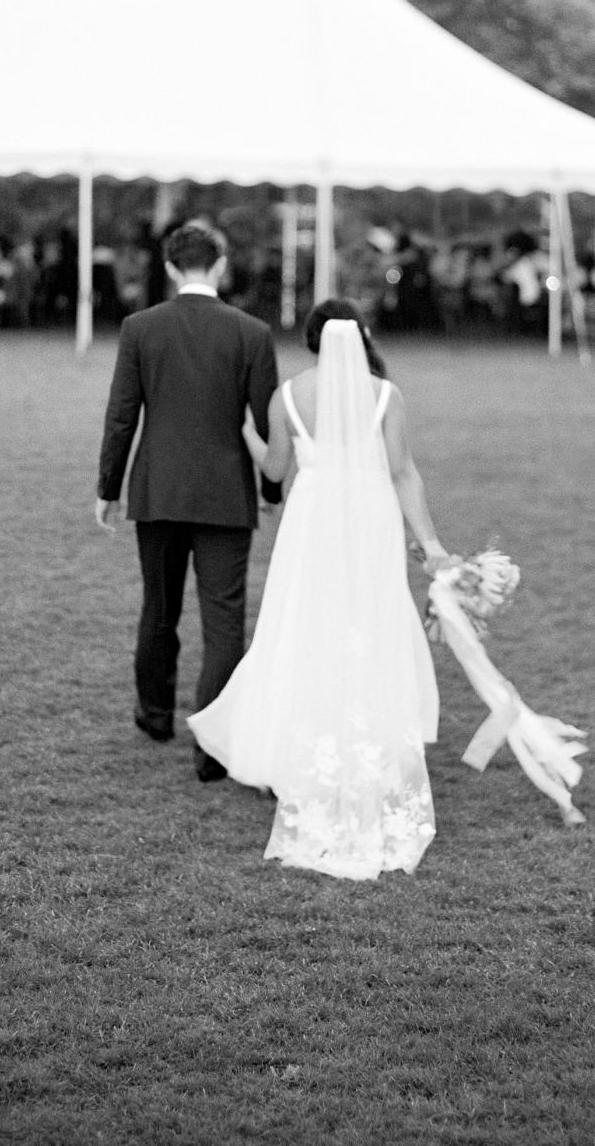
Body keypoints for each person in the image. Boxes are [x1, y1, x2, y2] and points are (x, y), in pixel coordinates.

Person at [189, 299, 448, 881]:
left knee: (306, 628)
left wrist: (250, 435)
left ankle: (297, 755)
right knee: (368, 625)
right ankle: (367, 755)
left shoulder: (287, 396)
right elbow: (404, 471)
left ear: (310, 341)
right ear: (362, 336)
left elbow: (277, 472)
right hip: (371, 522)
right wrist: (430, 545)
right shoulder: (387, 395)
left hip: (311, 525)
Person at [95, 223, 281, 783]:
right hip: (226, 493)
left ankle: (155, 716)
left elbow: (122, 413)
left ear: (173, 268)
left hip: (158, 489)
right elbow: (267, 422)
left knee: (160, 607)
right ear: (220, 265)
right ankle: (212, 746)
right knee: (224, 622)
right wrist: (272, 492)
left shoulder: (140, 328)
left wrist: (108, 488)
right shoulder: (252, 333)